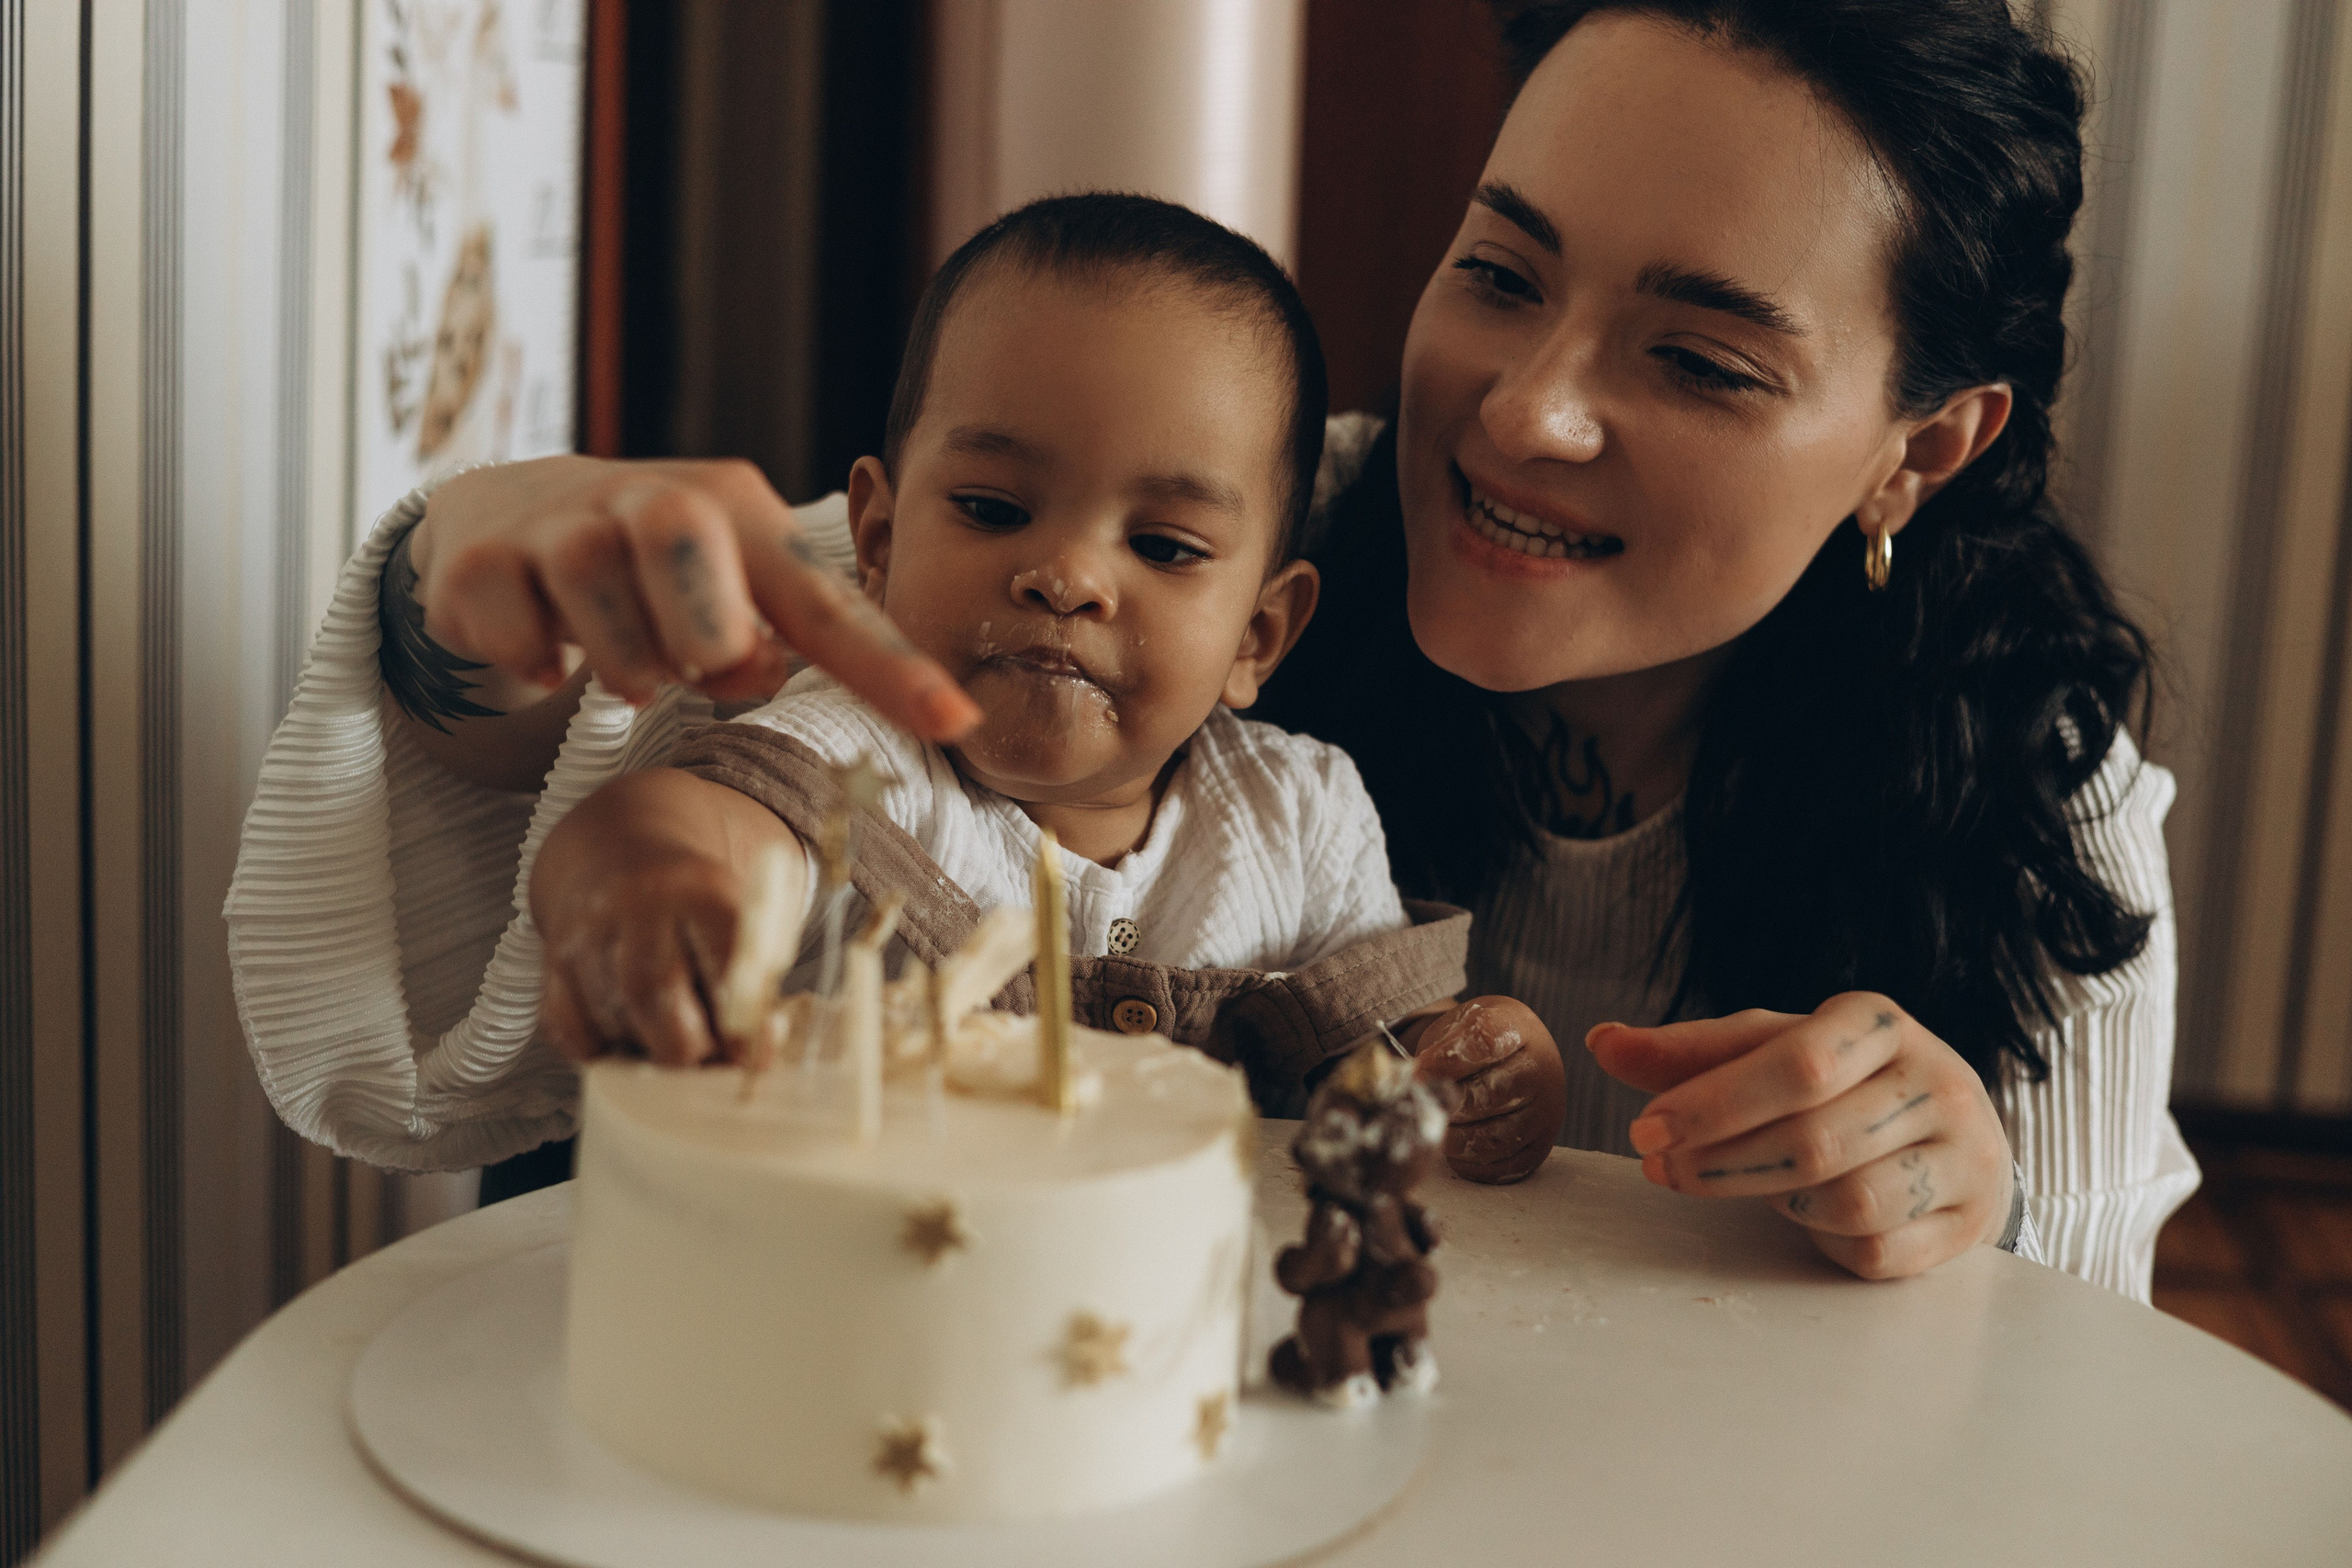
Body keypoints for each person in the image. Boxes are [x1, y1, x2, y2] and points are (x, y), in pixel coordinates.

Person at [228, 0, 2193, 1299]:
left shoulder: (2027, 792)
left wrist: (1968, 1198)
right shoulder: (1183, 539)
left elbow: (2055, 1398)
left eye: (1693, 358)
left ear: (1918, 449)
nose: (1521, 415)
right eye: (1497, 273)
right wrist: (458, 606)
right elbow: (682, 683)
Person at [526, 191, 1566, 1169]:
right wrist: (644, 873)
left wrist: (1470, 1064)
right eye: (991, 509)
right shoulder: (862, 761)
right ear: (877, 544)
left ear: (1257, 635)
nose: (1066, 578)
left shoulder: (1299, 817)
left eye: (1161, 545)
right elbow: (699, 825)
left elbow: (1376, 1066)